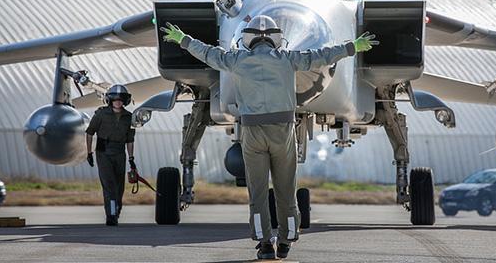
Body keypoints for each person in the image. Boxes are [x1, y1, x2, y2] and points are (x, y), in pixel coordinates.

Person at [161, 16, 376, 259]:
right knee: (286, 190)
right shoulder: (288, 59)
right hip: (282, 132)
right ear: (276, 38)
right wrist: (351, 47)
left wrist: (184, 40)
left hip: (252, 133)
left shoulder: (237, 60)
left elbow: (209, 53)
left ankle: (264, 243)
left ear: (247, 39)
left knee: (258, 193)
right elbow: (320, 56)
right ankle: (286, 240)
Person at [85, 84, 136, 226]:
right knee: (109, 186)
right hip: (103, 153)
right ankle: (111, 215)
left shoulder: (129, 117)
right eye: (115, 99)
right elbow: (89, 132)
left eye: (121, 99)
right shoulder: (100, 114)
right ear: (110, 100)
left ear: (125, 101)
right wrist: (89, 152)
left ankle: (116, 209)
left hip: (120, 153)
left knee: (119, 187)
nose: (118, 102)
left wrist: (131, 159)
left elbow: (130, 140)